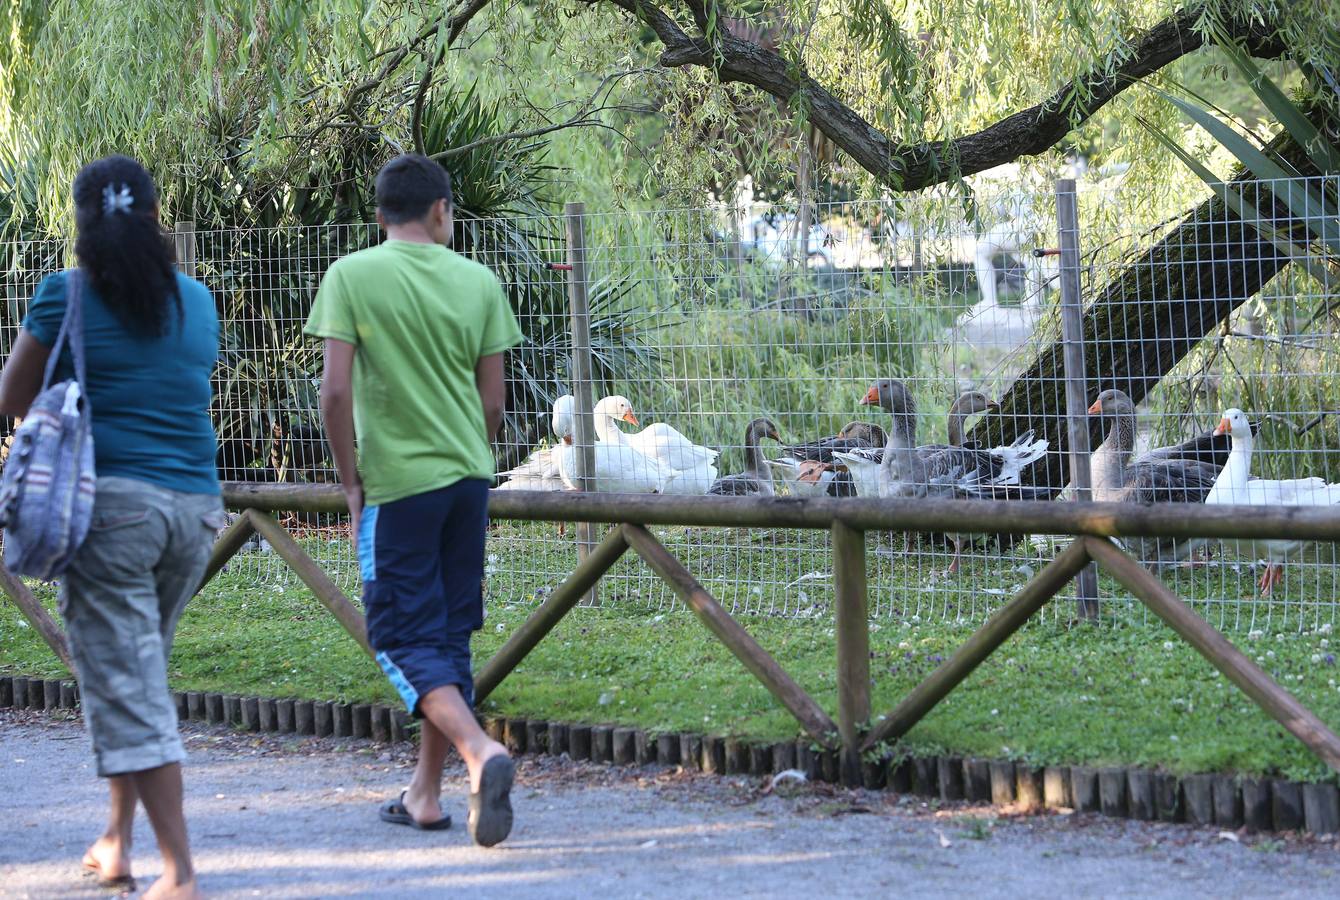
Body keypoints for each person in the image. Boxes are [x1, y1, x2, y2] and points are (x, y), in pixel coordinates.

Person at [0, 156, 222, 899]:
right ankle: (117, 841)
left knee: (132, 688)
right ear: (157, 219)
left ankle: (181, 873)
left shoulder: (64, 294)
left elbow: (13, 396)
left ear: (82, 222)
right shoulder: (198, 301)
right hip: (194, 515)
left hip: (113, 515)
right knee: (134, 672)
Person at [305, 153, 521, 846]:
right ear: (439, 211)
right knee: (448, 631)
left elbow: (334, 392)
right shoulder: (479, 282)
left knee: (398, 633)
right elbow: (495, 399)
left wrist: (350, 482)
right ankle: (425, 796)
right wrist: (468, 452)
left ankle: (479, 751)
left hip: (397, 488)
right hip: (467, 481)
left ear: (380, 216)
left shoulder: (351, 276)